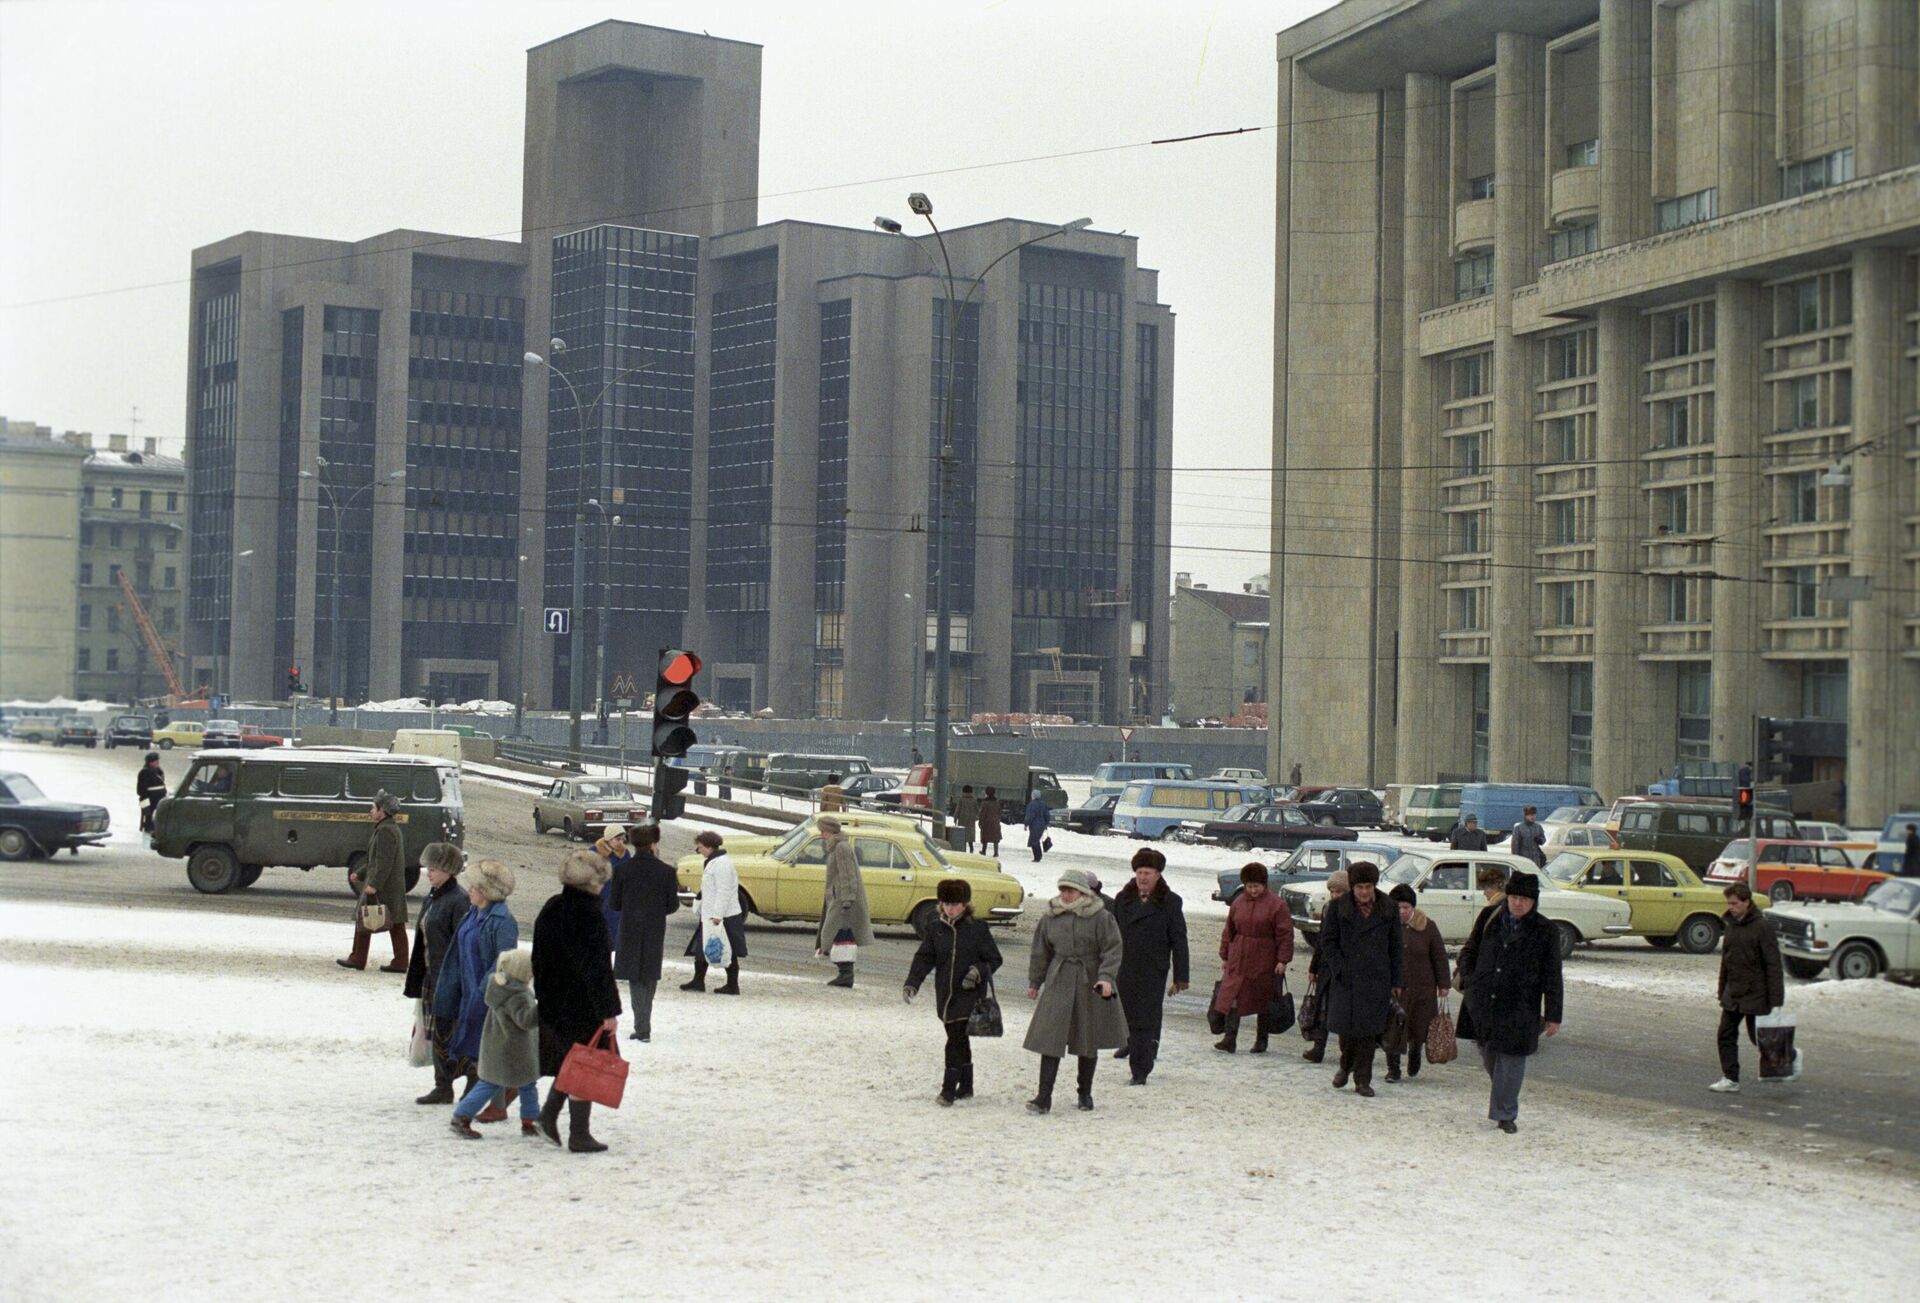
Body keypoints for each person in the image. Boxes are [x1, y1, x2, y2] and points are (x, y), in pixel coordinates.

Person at [533, 849, 623, 1153]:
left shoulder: (552, 906)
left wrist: (544, 995)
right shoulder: (590, 915)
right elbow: (598, 968)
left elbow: (538, 957)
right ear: (593, 883)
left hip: (553, 1002)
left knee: (572, 1061)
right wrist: (609, 1010)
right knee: (585, 1062)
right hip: (582, 1005)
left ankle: (548, 1116)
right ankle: (578, 1133)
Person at [1463, 870, 1562, 1133]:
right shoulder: (1490, 917)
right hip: (1485, 1000)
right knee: (1489, 1055)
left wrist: (1553, 1015)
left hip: (1520, 1006)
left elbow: (1553, 975)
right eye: (1514, 897)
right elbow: (1470, 949)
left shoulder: (1545, 930)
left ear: (1534, 902)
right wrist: (1469, 976)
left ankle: (1505, 1114)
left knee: (1513, 1059)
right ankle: (1503, 1098)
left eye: (1525, 899)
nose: (1518, 903)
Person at [1023, 867, 1126, 1114]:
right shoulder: (1050, 917)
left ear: (1082, 892)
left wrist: (1105, 977)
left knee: (1086, 1038)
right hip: (1059, 979)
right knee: (1050, 1039)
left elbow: (1112, 949)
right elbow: (1040, 952)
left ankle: (1085, 1093)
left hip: (1089, 981)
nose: (1066, 895)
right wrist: (1035, 982)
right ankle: (1043, 1096)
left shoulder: (1101, 917)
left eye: (1071, 890)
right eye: (1063, 890)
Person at [904, 879, 1004, 1106]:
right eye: (947, 903)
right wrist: (912, 983)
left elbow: (994, 958)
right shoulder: (935, 928)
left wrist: (977, 972)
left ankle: (948, 1090)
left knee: (955, 1041)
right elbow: (925, 958)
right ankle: (967, 1086)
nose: (951, 908)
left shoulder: (977, 928)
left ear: (965, 904)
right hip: (945, 995)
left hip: (969, 995)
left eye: (956, 904)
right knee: (959, 1039)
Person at [433, 859, 518, 1122]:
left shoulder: (503, 921)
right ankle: (496, 1098)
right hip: (466, 990)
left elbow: (504, 960)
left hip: (487, 995)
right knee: (474, 1046)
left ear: (487, 891)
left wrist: (485, 992)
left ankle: (498, 1100)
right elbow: (457, 953)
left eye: (474, 886)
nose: (468, 890)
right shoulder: (473, 913)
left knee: (486, 1049)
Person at [1317, 860, 1403, 1096]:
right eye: (1359, 887)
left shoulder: (1388, 908)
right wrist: (1339, 968)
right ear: (1352, 887)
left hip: (1376, 979)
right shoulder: (1338, 907)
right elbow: (1328, 941)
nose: (1364, 892)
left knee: (1368, 1033)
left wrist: (1397, 980)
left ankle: (1362, 1080)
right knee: (1347, 1032)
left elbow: (1396, 946)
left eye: (1368, 887)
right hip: (1347, 979)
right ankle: (1345, 1066)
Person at [1111, 848, 1190, 1084]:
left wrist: (1180, 976)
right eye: (1139, 872)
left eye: (1148, 872)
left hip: (1152, 971)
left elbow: (1179, 940)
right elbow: (1109, 936)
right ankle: (1134, 1048)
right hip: (1124, 968)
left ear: (1158, 875)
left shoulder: (1170, 902)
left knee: (1144, 1020)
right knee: (1126, 1016)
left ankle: (1140, 1070)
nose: (1143, 877)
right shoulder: (1122, 900)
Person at [449, 949, 544, 1140]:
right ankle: (461, 1116)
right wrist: (543, 1007)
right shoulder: (516, 995)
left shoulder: (502, 988)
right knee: (494, 1084)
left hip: (502, 1048)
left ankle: (530, 1121)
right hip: (512, 1052)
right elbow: (525, 1020)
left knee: (525, 1084)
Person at [405, 841, 471, 1105]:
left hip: (448, 978)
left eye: (434, 869)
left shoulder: (459, 900)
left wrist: (457, 980)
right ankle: (442, 1085)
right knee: (435, 1032)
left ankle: (466, 1084)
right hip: (430, 976)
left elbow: (462, 943)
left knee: (450, 1032)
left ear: (448, 871)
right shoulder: (434, 896)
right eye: (428, 868)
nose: (428, 873)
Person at [607, 824, 681, 1043]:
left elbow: (615, 903)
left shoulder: (622, 870)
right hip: (654, 929)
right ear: (653, 844)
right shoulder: (667, 872)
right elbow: (672, 906)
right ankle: (643, 1024)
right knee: (649, 975)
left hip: (629, 928)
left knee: (634, 977)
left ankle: (642, 1026)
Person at [1210, 863, 1293, 1055]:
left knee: (1263, 998)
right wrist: (1225, 955)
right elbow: (1228, 930)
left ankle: (1261, 1040)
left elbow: (1285, 935)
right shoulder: (1238, 903)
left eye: (1256, 886)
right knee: (1233, 996)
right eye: (1249, 886)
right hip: (1239, 954)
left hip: (1264, 957)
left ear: (1264, 885)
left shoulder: (1277, 905)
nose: (1253, 890)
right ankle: (1230, 1038)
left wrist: (1283, 960)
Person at [1711, 882, 1784, 1093]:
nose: (1731, 907)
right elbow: (1726, 960)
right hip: (1733, 992)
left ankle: (1789, 1056)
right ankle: (1730, 1079)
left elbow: (1773, 965)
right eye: (1729, 903)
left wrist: (1776, 1000)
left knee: (1759, 1038)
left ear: (1746, 902)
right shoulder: (1731, 925)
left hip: (1756, 994)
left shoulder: (1762, 927)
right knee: (1725, 1034)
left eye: (1734, 903)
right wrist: (1722, 988)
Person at [339, 791, 409, 973]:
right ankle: (400, 961)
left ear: (382, 811)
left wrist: (374, 885)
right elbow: (374, 859)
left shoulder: (385, 831)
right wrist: (359, 874)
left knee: (365, 918)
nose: (370, 810)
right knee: (395, 922)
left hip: (384, 886)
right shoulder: (387, 828)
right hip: (388, 885)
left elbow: (384, 862)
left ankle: (358, 958)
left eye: (373, 807)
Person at [1387, 883, 1449, 1082]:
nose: (1402, 912)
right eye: (1398, 908)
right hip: (1395, 988)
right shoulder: (1386, 926)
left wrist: (1444, 983)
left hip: (1422, 987)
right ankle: (1393, 1069)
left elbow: (1439, 956)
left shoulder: (1427, 926)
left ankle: (1415, 1053)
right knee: (1393, 1027)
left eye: (1406, 908)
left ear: (1413, 908)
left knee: (1419, 1026)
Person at [682, 830, 746, 994]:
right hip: (711, 914)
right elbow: (708, 889)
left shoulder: (722, 864)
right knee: (703, 946)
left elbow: (724, 891)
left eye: (700, 847)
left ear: (710, 847)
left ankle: (732, 985)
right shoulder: (713, 862)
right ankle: (698, 981)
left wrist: (717, 916)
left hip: (723, 916)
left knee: (726, 948)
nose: (699, 851)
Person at [1451, 866, 1507, 1044]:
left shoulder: (1493, 910)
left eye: (1485, 889)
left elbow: (1475, 941)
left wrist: (1466, 969)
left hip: (1484, 966)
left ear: (1493, 888)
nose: (1484, 893)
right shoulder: (1502, 907)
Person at [816, 816, 873, 988]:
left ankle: (846, 974)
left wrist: (847, 900)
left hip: (842, 900)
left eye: (822, 831)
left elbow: (848, 875)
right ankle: (844, 973)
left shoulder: (841, 847)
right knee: (838, 935)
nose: (821, 835)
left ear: (828, 831)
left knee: (837, 935)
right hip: (838, 898)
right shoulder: (837, 846)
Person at [1301, 869, 1348, 1063]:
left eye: (1340, 892)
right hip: (1326, 967)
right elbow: (1322, 940)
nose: (1335, 895)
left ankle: (1347, 1053)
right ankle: (1318, 1048)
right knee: (1322, 1008)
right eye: (1333, 892)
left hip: (1345, 968)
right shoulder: (1329, 908)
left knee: (1344, 1010)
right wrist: (1314, 967)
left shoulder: (1352, 912)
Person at [136, 752, 167, 833]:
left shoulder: (158, 770)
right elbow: (141, 789)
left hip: (159, 797)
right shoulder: (144, 772)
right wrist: (150, 797)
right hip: (149, 798)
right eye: (155, 761)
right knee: (150, 814)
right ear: (150, 762)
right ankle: (149, 827)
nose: (158, 762)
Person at [1023, 792, 1052, 863]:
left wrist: (1026, 824)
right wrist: (1046, 823)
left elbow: (1030, 816)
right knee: (1036, 840)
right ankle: (1038, 856)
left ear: (1033, 796)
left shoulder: (1031, 805)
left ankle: (1037, 857)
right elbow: (1047, 815)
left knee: (1034, 841)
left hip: (1034, 825)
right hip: (1041, 825)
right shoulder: (1043, 804)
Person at [951, 785, 981, 854]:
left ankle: (963, 848)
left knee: (962, 834)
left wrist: (955, 817)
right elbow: (977, 810)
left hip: (962, 819)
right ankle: (971, 848)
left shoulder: (961, 799)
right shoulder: (973, 800)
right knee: (970, 834)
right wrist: (977, 817)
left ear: (963, 791)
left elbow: (958, 809)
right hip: (971, 820)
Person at [978, 788, 1002, 858]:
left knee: (985, 836)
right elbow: (1000, 812)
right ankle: (996, 852)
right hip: (995, 822)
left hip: (986, 822)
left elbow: (982, 813)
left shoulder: (985, 803)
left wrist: (980, 821)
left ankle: (984, 850)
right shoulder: (997, 802)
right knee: (995, 838)